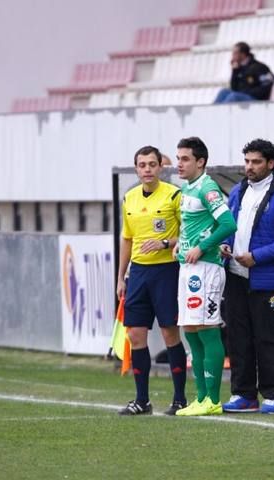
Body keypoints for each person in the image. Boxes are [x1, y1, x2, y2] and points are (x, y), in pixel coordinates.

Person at [220, 139, 274, 415]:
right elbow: (229, 227)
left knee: (269, 337)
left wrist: (257, 257)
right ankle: (243, 394)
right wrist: (225, 246)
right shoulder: (237, 192)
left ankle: (273, 393)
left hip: (267, 279)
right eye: (247, 161)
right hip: (235, 275)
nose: (249, 167)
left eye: (256, 162)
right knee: (238, 338)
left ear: (271, 163)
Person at [116, 146, 187, 416]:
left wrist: (166, 242)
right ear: (136, 168)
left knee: (170, 332)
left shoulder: (174, 196)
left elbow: (190, 233)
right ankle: (142, 400)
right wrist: (121, 276)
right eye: (142, 164)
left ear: (161, 167)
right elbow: (127, 238)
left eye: (152, 164)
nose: (147, 169)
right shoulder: (130, 198)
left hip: (166, 271)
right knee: (135, 334)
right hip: (139, 274)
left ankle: (180, 399)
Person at [173, 137, 237, 416]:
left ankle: (212, 399)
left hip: (207, 270)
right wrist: (182, 242)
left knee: (207, 330)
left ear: (200, 162)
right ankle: (199, 398)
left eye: (185, 158)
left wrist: (202, 247)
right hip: (188, 269)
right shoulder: (188, 188)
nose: (179, 164)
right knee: (191, 332)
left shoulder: (208, 188)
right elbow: (195, 225)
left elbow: (228, 224)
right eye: (178, 158)